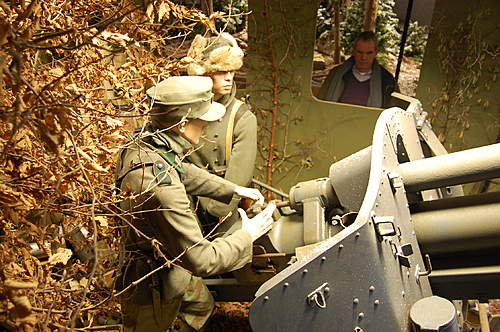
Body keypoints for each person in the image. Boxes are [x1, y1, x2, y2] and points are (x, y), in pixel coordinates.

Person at [114, 76, 276, 332]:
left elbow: (182, 170)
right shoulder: (162, 188)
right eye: (203, 122)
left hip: (171, 264)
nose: (206, 128)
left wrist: (233, 188)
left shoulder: (147, 142)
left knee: (201, 307)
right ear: (182, 124)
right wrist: (248, 234)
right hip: (152, 283)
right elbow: (201, 259)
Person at [184, 32, 258, 235]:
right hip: (183, 200)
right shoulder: (185, 107)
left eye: (233, 71)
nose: (229, 78)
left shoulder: (241, 117)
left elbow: (239, 176)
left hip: (221, 209)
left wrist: (217, 210)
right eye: (221, 71)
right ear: (205, 72)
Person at [318, 31, 397, 108]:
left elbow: (395, 114)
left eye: (369, 53)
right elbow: (320, 103)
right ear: (354, 51)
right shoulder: (335, 75)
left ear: (376, 52)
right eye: (360, 52)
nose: (364, 58)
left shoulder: (387, 81)